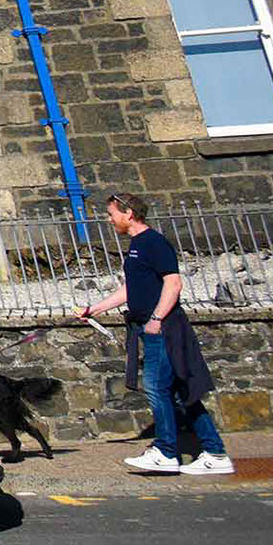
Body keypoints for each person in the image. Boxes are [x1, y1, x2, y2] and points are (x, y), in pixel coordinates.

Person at [77, 191, 232, 476]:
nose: (109, 220)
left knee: (157, 388)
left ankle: (166, 451)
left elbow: (173, 284)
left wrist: (156, 319)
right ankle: (215, 452)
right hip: (150, 325)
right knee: (177, 393)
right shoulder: (137, 246)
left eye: (112, 214)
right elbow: (130, 290)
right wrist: (94, 309)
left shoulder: (153, 243)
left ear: (128, 214)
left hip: (162, 328)